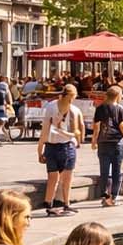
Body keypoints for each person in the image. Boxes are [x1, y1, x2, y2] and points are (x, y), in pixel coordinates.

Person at [39, 84, 86, 216]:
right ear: (73, 96)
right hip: (67, 146)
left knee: (53, 177)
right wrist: (79, 140)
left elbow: (45, 129)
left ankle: (49, 204)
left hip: (51, 146)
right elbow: (80, 127)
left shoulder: (51, 106)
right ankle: (66, 204)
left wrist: (40, 149)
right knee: (66, 178)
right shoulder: (74, 110)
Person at [92, 86, 123, 207]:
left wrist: (94, 141)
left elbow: (96, 126)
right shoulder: (120, 109)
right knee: (117, 171)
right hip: (117, 143)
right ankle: (113, 197)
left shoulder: (100, 108)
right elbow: (122, 125)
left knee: (104, 171)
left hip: (103, 142)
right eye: (121, 94)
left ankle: (105, 197)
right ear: (118, 96)